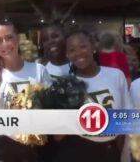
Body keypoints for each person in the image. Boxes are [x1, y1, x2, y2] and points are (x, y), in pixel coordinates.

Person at [50, 29, 133, 162]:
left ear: (93, 47)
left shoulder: (116, 75)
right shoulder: (66, 85)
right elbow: (58, 136)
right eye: (72, 50)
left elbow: (126, 120)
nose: (78, 53)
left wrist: (124, 155)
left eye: (83, 46)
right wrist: (70, 107)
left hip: (111, 150)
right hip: (79, 150)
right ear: (67, 54)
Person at [0, 19, 51, 162]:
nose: (5, 44)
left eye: (9, 37)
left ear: (18, 38)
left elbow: (50, 109)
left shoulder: (39, 70)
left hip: (32, 147)